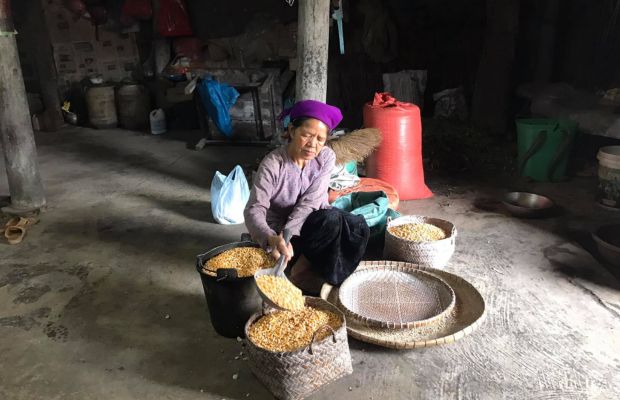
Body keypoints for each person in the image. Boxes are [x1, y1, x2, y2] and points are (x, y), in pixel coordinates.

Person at [244, 100, 370, 293]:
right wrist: (272, 238)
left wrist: (290, 234)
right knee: (332, 223)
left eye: (320, 139)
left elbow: (310, 203)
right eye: (306, 135)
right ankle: (302, 272)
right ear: (292, 131)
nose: (313, 145)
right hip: (279, 235)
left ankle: (306, 267)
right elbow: (254, 208)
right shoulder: (273, 164)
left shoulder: (325, 157)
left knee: (356, 226)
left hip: (309, 225)